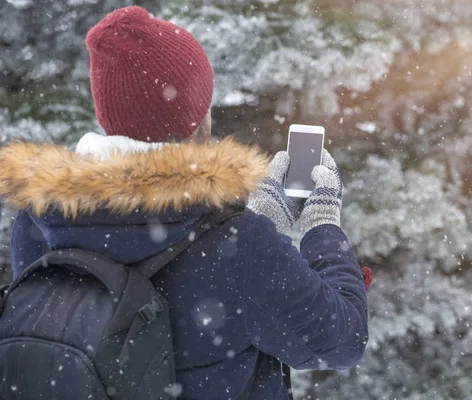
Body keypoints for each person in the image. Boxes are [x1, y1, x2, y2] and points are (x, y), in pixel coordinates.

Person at [0, 6, 368, 399]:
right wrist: (323, 227)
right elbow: (341, 339)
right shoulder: (241, 247)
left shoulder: (40, 219)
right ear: (197, 119)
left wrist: (260, 230)